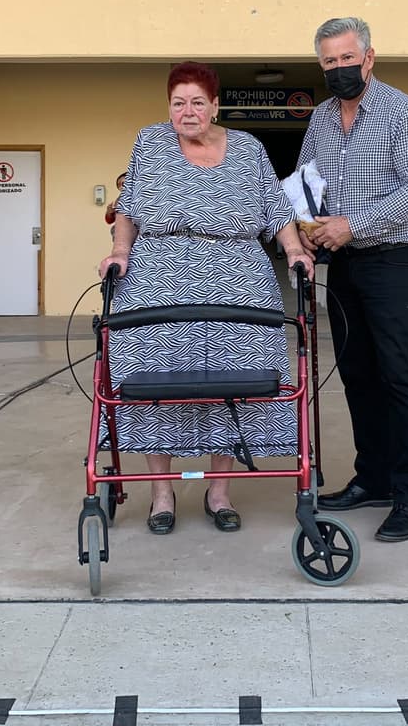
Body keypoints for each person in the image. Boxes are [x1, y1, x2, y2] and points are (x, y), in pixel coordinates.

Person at [98, 62, 314, 534]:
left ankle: (219, 491)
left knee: (236, 379)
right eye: (178, 103)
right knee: (153, 379)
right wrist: (119, 251)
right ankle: (162, 493)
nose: (188, 112)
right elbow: (129, 207)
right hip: (158, 277)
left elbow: (276, 209)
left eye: (197, 102)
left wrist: (296, 250)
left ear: (215, 106)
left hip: (239, 279)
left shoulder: (248, 148)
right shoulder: (150, 143)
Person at [297, 17, 408, 542]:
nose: (339, 68)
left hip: (395, 262)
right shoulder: (320, 118)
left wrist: (352, 224)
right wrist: (306, 227)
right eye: (329, 62)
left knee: (401, 375)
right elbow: (307, 180)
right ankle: (374, 478)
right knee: (357, 373)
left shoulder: (403, 112)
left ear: (369, 58)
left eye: (346, 59)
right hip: (345, 265)